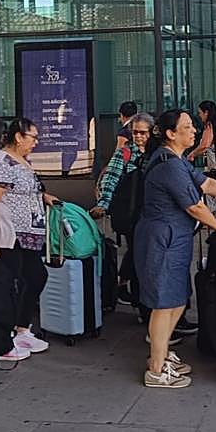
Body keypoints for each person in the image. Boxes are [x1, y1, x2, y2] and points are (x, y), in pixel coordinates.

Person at [136, 110, 216, 388]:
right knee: (164, 303)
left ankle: (162, 355)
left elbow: (207, 184)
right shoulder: (169, 165)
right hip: (163, 241)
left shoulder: (179, 161)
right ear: (171, 134)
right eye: (187, 127)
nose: (194, 130)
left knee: (178, 299)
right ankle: (156, 369)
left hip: (175, 240)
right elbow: (195, 206)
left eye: (193, 126)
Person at [0, 118, 58, 361]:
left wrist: (43, 197)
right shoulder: (0, 163)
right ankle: (0, 341)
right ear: (18, 137)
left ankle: (21, 329)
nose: (36, 142)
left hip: (27, 236)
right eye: (33, 137)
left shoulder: (21, 162)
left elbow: (22, 190)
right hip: (7, 235)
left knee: (35, 277)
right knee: (6, 287)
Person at [92, 112, 154, 311]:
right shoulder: (125, 153)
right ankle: (139, 301)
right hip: (133, 214)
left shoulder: (158, 152)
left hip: (154, 213)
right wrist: (103, 204)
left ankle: (132, 291)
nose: (138, 136)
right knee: (138, 255)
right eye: (135, 132)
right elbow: (111, 178)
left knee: (144, 256)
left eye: (143, 132)